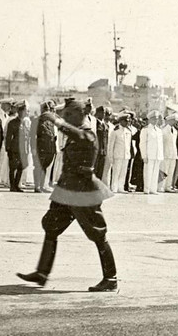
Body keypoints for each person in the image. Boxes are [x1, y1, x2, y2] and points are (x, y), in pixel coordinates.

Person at [17, 98, 118, 292]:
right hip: (68, 189)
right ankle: (42, 273)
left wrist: (56, 121)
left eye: (69, 114)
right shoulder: (75, 133)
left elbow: (81, 137)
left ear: (79, 114)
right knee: (51, 226)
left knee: (97, 233)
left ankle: (111, 278)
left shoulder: (88, 133)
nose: (65, 117)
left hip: (83, 192)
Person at [33, 101, 59, 193]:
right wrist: (33, 149)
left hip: (49, 148)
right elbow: (32, 137)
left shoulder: (51, 122)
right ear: (42, 110)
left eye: (48, 110)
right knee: (38, 167)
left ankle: (42, 185)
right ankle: (37, 186)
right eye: (46, 110)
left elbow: (53, 136)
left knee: (44, 167)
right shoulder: (37, 120)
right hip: (40, 148)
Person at [139, 111, 165, 195]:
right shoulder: (145, 129)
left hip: (157, 155)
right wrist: (144, 155)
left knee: (155, 172)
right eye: (153, 119)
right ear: (149, 119)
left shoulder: (159, 130)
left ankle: (153, 189)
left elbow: (160, 144)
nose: (155, 121)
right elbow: (142, 143)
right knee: (148, 172)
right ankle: (146, 189)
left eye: (156, 119)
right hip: (149, 154)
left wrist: (161, 155)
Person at [108, 112, 135, 193]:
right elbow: (111, 145)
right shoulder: (115, 131)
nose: (127, 122)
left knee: (123, 172)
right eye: (125, 121)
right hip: (117, 155)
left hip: (125, 155)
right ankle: (114, 188)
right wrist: (111, 157)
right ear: (121, 121)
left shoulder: (128, 131)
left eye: (128, 121)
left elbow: (128, 145)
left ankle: (121, 187)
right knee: (116, 172)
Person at [5, 102, 28, 192]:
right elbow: (8, 137)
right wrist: (8, 148)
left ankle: (16, 185)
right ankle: (12, 186)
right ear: (19, 111)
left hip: (23, 149)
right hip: (14, 148)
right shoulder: (12, 122)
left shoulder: (25, 122)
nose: (25, 113)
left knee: (21, 167)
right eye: (24, 111)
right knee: (12, 168)